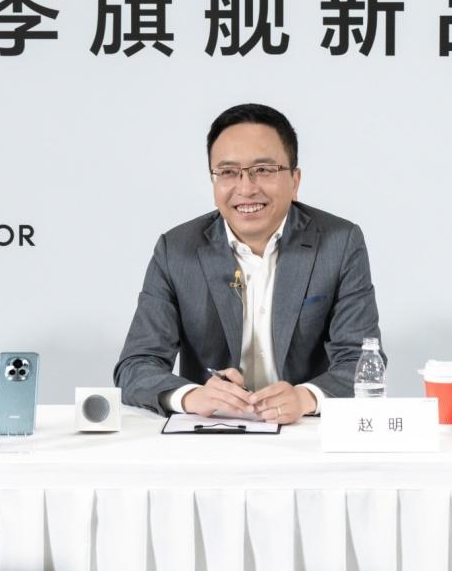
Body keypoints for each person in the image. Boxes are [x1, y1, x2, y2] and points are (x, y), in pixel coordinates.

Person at [113, 103, 383, 425]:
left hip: (305, 429)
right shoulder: (176, 250)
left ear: (295, 181)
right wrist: (191, 396)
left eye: (264, 170)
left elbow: (361, 360)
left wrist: (305, 398)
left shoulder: (339, 243)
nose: (246, 188)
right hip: (213, 431)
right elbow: (135, 367)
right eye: (228, 172)